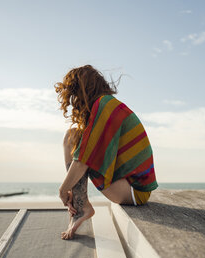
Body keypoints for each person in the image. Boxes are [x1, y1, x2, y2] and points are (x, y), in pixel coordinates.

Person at [55, 65, 158, 239]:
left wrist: (63, 190)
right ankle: (81, 205)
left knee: (75, 143)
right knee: (73, 136)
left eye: (74, 93)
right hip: (131, 186)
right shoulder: (107, 104)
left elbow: (84, 159)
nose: (73, 100)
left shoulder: (104, 105)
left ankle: (82, 208)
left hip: (134, 190)